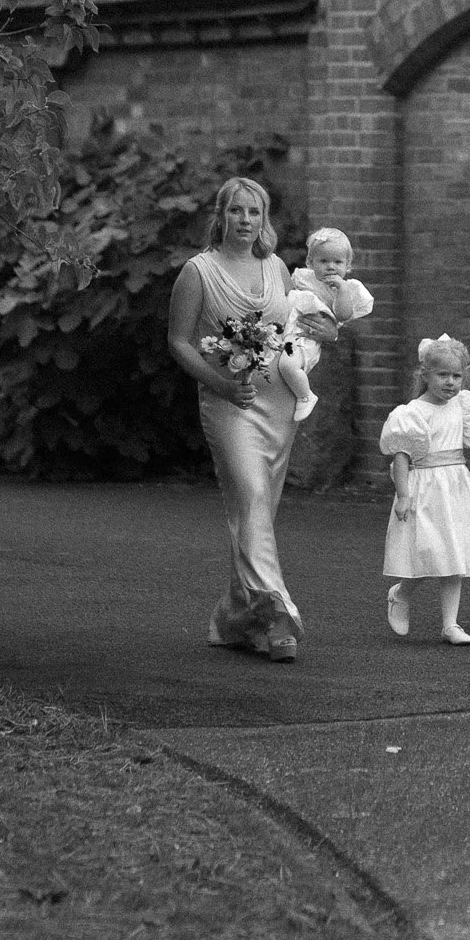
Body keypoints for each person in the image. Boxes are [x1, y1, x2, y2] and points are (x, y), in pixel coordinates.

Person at [166, 177, 305, 662]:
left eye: (255, 212)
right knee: (248, 495)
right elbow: (179, 342)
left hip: (278, 404)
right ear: (220, 216)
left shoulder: (278, 269)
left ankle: (237, 619)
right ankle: (277, 612)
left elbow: (294, 334)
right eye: (237, 211)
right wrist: (221, 384)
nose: (245, 221)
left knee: (258, 512)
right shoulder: (198, 272)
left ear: (264, 219)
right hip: (229, 403)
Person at [379, 337, 470, 644]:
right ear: (425, 375)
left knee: (454, 554)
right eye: (443, 375)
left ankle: (450, 624)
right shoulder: (413, 412)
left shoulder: (465, 405)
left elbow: (469, 439)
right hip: (425, 487)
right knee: (430, 551)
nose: (450, 382)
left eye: (456, 376)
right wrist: (403, 496)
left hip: (455, 485)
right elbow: (401, 456)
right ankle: (401, 592)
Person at [276, 225, 375, 421]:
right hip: (289, 329)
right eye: (323, 261)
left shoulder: (348, 288)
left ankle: (305, 396)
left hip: (307, 338)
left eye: (338, 262)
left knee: (288, 366)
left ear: (348, 265)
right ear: (311, 262)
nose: (331, 266)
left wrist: (342, 290)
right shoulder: (303, 278)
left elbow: (343, 315)